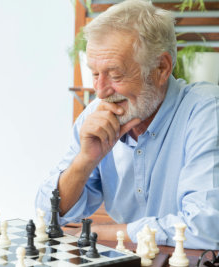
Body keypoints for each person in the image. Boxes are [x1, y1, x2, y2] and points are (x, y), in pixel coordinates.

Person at [36, 0, 219, 250]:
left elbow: (207, 227)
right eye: (95, 74)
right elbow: (47, 216)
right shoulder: (95, 116)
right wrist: (84, 161)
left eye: (115, 74)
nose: (100, 92)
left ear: (161, 68)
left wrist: (103, 232)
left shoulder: (207, 110)